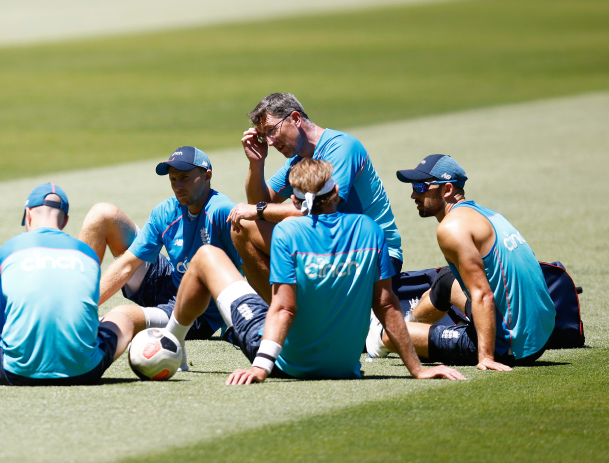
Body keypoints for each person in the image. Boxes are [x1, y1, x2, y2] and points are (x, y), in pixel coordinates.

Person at [166, 159, 464, 383]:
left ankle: (171, 341)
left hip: (288, 363)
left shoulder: (288, 232)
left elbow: (283, 308)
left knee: (206, 257)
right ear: (336, 192)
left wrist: (261, 366)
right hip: (345, 368)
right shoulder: (370, 230)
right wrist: (418, 369)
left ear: (294, 201)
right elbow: (386, 305)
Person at [0, 183, 137, 386]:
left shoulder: (7, 250)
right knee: (123, 320)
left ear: (28, 214)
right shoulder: (88, 254)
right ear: (64, 221)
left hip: (17, 370)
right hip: (85, 371)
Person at [367, 155, 556, 369]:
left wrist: (485, 357)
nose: (413, 194)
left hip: (510, 345)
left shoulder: (451, 228)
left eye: (420, 187)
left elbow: (483, 294)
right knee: (447, 278)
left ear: (447, 190)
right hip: (540, 335)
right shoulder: (485, 214)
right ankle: (412, 322)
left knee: (392, 334)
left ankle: (381, 333)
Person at [230, 93, 403, 301]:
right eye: (263, 135)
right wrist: (256, 164)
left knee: (250, 222)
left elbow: (320, 207)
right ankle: (288, 316)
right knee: (242, 228)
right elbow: (260, 202)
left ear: (295, 118)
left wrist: (258, 210)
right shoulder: (297, 161)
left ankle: (295, 313)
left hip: (374, 256)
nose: (270, 141)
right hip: (332, 247)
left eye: (272, 130)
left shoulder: (341, 147)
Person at [78, 146, 241, 345]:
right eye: (173, 179)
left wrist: (233, 322)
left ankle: (77, 330)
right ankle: (71, 307)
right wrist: (84, 305)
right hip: (169, 281)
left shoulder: (222, 211)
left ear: (207, 176)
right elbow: (128, 264)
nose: (178, 185)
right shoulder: (165, 211)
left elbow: (244, 270)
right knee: (103, 214)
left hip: (194, 312)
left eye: (185, 178)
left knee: (121, 315)